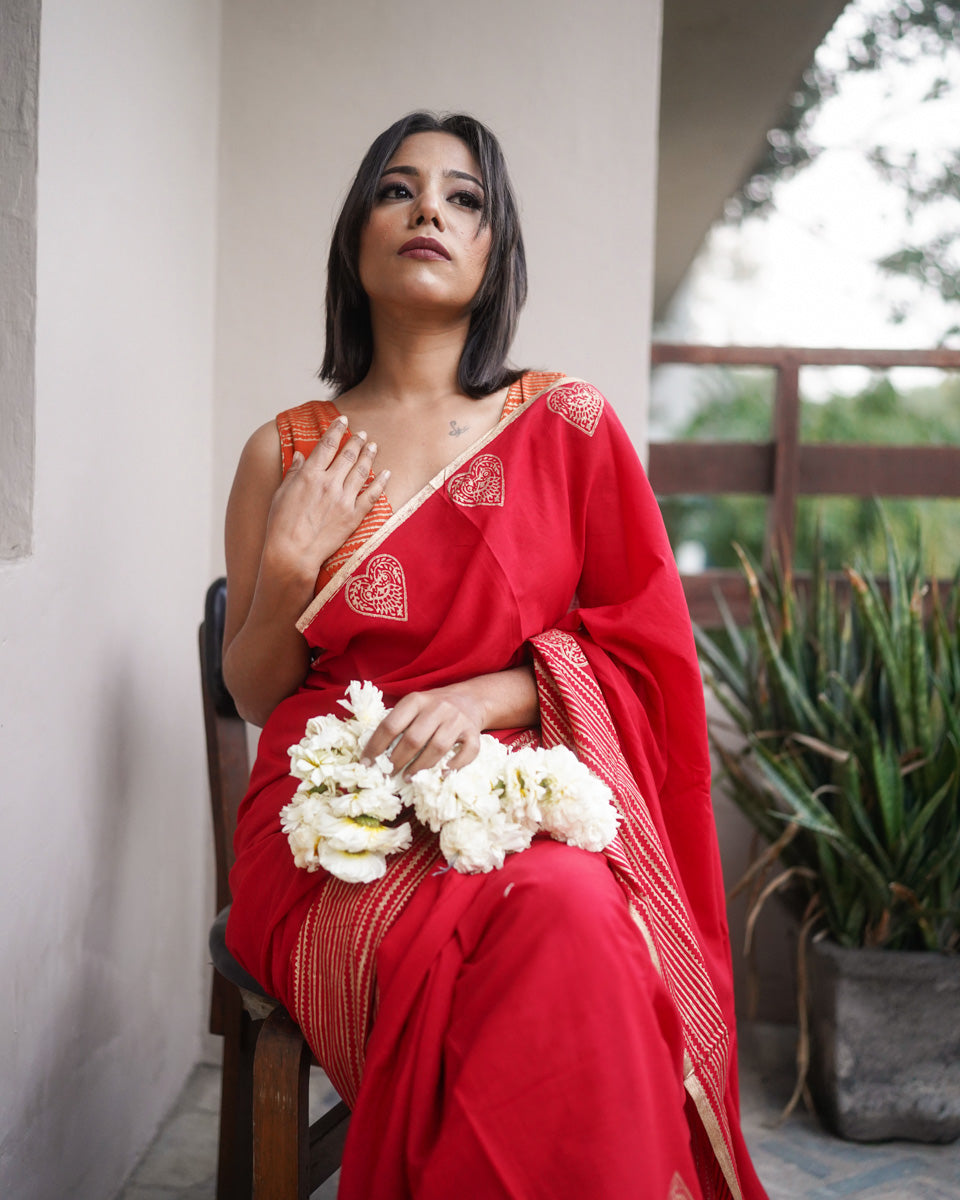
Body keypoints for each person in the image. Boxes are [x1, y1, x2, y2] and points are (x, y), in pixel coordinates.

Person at [223, 110, 767, 1200]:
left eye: (464, 197)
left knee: (568, 912)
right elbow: (254, 688)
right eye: (398, 188)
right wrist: (286, 566)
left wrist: (490, 693)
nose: (430, 207)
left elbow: (645, 652)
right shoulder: (287, 449)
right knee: (538, 929)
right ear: (357, 238)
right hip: (333, 816)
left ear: (493, 249)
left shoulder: (565, 426)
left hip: (516, 787)